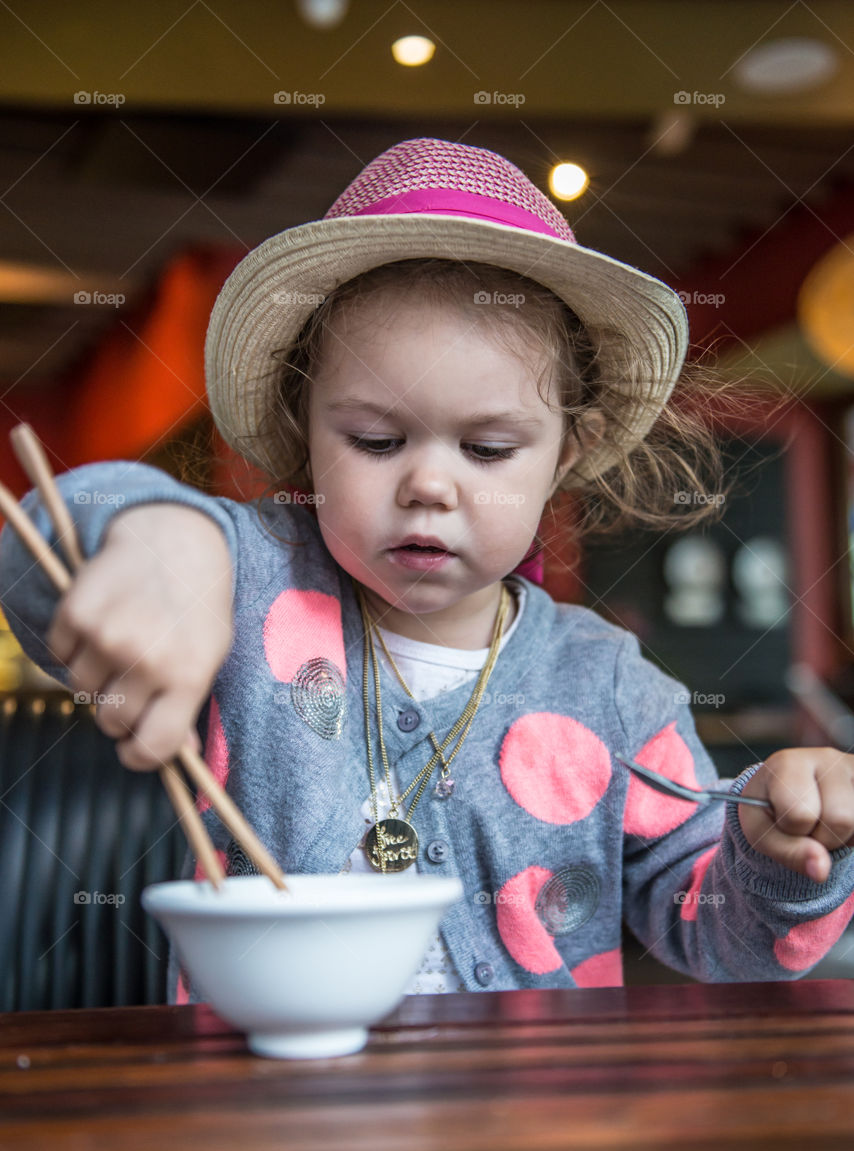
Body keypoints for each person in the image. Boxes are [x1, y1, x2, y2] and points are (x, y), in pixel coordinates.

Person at [2, 137, 854, 999]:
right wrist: (162, 538)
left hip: (528, 1118)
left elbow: (718, 936)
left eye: (486, 449)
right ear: (306, 437)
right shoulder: (248, 586)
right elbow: (50, 547)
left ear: (566, 457)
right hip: (262, 1114)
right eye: (375, 441)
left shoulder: (607, 687)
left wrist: (774, 855)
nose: (429, 486)